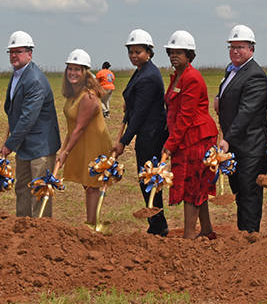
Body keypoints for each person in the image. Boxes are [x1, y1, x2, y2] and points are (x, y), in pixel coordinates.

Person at [113, 29, 170, 236]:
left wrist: (123, 142)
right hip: (147, 133)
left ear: (149, 52)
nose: (134, 56)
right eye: (131, 52)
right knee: (147, 179)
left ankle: (158, 225)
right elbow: (134, 108)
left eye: (138, 51)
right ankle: (156, 222)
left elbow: (140, 114)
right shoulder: (142, 72)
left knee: (150, 179)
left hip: (152, 135)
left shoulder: (148, 76)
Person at [163, 30, 219, 239]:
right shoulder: (178, 76)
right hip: (186, 139)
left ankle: (188, 236)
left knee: (192, 187)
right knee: (197, 187)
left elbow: (185, 117)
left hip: (198, 139)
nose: (174, 56)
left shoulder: (192, 78)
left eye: (179, 52)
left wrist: (170, 145)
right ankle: (206, 230)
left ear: (189, 55)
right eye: (171, 52)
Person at [0, 30, 61, 218]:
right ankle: (22, 227)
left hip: (40, 147)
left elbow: (28, 118)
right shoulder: (18, 74)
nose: (14, 56)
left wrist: (9, 145)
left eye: (18, 51)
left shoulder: (34, 79)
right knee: (22, 188)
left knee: (39, 191)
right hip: (25, 145)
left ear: (29, 53)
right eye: (11, 52)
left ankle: (41, 234)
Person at [216, 24, 267, 233]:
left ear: (251, 49)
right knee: (238, 189)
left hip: (251, 146)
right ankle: (242, 234)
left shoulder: (255, 75)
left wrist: (227, 139)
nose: (235, 51)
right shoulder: (231, 71)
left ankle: (250, 236)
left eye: (240, 47)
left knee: (249, 192)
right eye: (232, 47)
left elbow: (246, 112)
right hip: (236, 145)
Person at [55, 49, 111, 228]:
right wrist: (63, 150)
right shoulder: (73, 94)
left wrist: (66, 152)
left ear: (85, 72)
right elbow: (72, 128)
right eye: (70, 69)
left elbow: (79, 128)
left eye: (77, 69)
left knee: (92, 184)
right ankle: (92, 222)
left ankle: (92, 225)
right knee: (87, 185)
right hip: (80, 142)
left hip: (94, 143)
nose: (73, 73)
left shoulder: (88, 97)